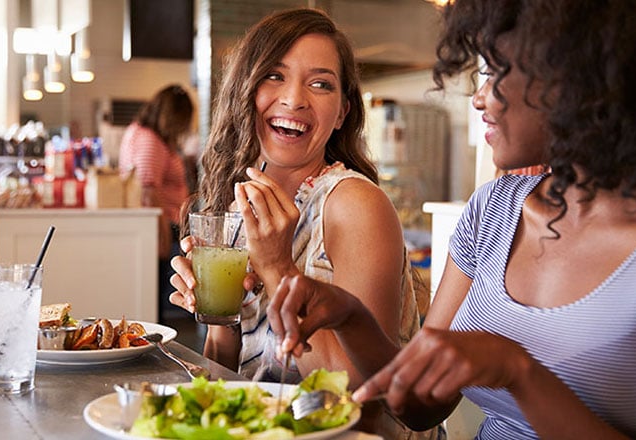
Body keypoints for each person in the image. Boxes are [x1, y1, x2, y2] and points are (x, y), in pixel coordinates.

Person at [268, 0, 636, 438]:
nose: (480, 98)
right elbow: (417, 408)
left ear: (578, 79)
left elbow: (507, 370)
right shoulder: (494, 210)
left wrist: (518, 370)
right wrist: (349, 316)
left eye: (497, 72)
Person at [168, 8, 437, 438]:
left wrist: (277, 269)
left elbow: (356, 396)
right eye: (274, 75)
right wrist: (218, 314)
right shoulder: (240, 205)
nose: (294, 99)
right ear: (245, 90)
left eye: (320, 83)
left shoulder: (354, 204)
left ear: (343, 111)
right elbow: (230, 373)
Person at [119, 84, 195, 323]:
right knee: (161, 299)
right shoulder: (149, 140)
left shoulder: (142, 133)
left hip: (163, 225)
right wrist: (162, 236)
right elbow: (149, 190)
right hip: (161, 227)